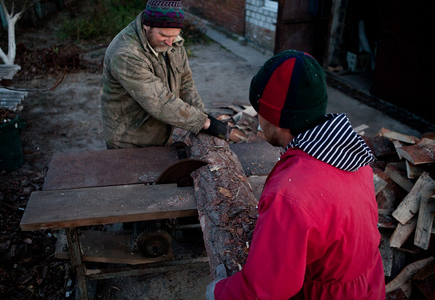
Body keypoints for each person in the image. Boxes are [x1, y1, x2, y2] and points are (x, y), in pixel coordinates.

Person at [206, 50, 385, 299]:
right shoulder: (352, 154)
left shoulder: (290, 194)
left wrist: (219, 292)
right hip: (368, 286)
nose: (258, 120)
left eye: (260, 112)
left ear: (276, 118)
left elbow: (266, 288)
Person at [100, 0, 227, 149]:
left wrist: (203, 115)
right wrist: (203, 122)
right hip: (130, 141)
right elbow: (158, 100)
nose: (169, 43)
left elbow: (185, 81)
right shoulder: (126, 54)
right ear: (147, 25)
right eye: (164, 36)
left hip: (160, 135)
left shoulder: (172, 40)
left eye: (174, 36)